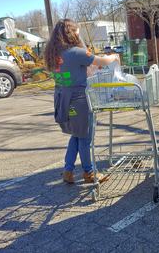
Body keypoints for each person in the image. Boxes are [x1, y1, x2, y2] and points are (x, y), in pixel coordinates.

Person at [44, 19, 120, 184]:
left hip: (63, 99)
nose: (79, 35)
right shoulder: (75, 52)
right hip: (79, 101)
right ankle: (89, 172)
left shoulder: (55, 54)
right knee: (85, 137)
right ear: (71, 33)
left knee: (76, 136)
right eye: (77, 32)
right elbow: (101, 61)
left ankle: (68, 170)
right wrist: (113, 56)